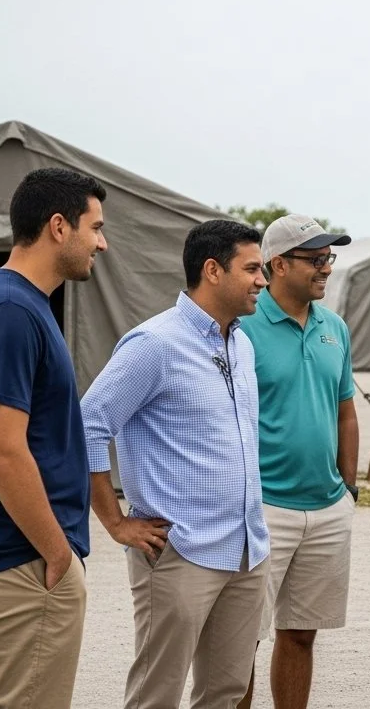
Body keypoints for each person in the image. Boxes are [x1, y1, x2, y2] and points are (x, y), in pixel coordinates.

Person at [0, 167, 107, 709]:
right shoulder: (9, 310)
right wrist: (57, 554)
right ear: (59, 226)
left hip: (22, 562)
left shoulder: (20, 304)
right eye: (95, 226)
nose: (103, 241)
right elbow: (2, 449)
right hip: (22, 563)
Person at [81, 219, 271, 708]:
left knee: (225, 693)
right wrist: (116, 522)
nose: (263, 280)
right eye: (252, 268)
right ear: (212, 270)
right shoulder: (154, 345)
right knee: (156, 695)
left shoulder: (242, 344)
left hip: (246, 550)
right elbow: (87, 425)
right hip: (181, 550)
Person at [239, 214, 356, 709]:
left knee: (301, 635)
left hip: (327, 508)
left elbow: (345, 412)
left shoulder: (336, 328)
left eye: (330, 257)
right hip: (264, 508)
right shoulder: (241, 326)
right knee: (241, 642)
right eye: (316, 259)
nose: (326, 268)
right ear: (277, 264)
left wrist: (347, 490)